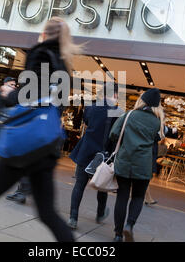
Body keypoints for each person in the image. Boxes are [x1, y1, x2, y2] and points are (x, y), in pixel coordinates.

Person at [0, 17, 81, 242]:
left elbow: (29, 95)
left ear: (45, 33)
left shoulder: (40, 53)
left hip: (24, 143)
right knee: (47, 213)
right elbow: (57, 103)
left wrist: (9, 95)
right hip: (46, 145)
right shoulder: (64, 65)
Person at [109, 88, 164, 242]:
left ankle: (118, 234)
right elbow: (158, 138)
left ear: (142, 100)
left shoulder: (129, 115)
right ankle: (129, 225)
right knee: (138, 197)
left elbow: (113, 134)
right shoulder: (157, 121)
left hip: (124, 162)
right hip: (143, 165)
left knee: (122, 197)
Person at [68, 83, 122, 229]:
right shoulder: (118, 112)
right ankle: (100, 214)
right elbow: (117, 134)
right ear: (115, 95)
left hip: (86, 150)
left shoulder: (91, 107)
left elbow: (87, 122)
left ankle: (73, 218)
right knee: (102, 185)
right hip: (104, 154)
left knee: (79, 185)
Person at [145, 125, 178, 205]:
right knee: (145, 177)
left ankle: (147, 197)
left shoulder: (135, 117)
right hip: (147, 153)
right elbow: (171, 132)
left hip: (142, 152)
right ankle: (147, 197)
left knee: (144, 177)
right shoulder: (156, 123)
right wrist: (174, 129)